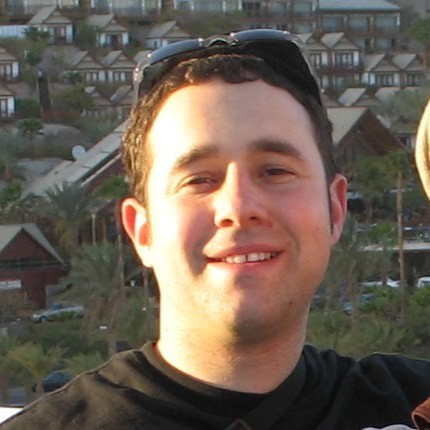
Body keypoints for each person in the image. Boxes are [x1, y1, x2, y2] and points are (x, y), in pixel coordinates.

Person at [2, 29, 430, 430]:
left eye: (275, 170)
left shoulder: (411, 406)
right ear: (142, 231)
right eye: (198, 179)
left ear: (335, 208)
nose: (239, 207)